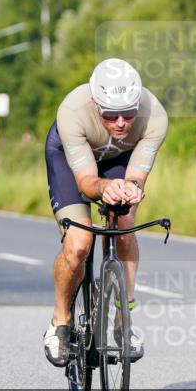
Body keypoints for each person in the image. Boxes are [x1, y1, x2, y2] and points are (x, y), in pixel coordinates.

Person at [43, 58, 168, 367]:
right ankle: (60, 319)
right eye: (111, 115)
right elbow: (86, 182)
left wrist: (132, 187)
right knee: (79, 244)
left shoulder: (155, 117)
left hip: (119, 159)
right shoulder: (72, 111)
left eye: (128, 113)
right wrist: (103, 188)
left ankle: (122, 320)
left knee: (124, 221)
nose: (122, 122)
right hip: (72, 160)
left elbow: (137, 174)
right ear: (95, 104)